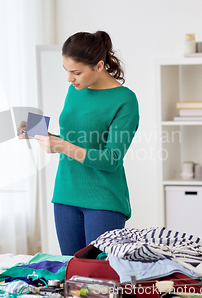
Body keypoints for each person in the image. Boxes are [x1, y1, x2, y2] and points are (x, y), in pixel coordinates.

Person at [17, 31, 139, 256]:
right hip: (65, 194)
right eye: (67, 71)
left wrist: (61, 146)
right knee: (71, 274)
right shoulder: (75, 90)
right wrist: (37, 131)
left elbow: (111, 159)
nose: (70, 79)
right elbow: (74, 140)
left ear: (99, 66)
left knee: (100, 279)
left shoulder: (125, 100)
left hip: (103, 200)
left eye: (76, 72)